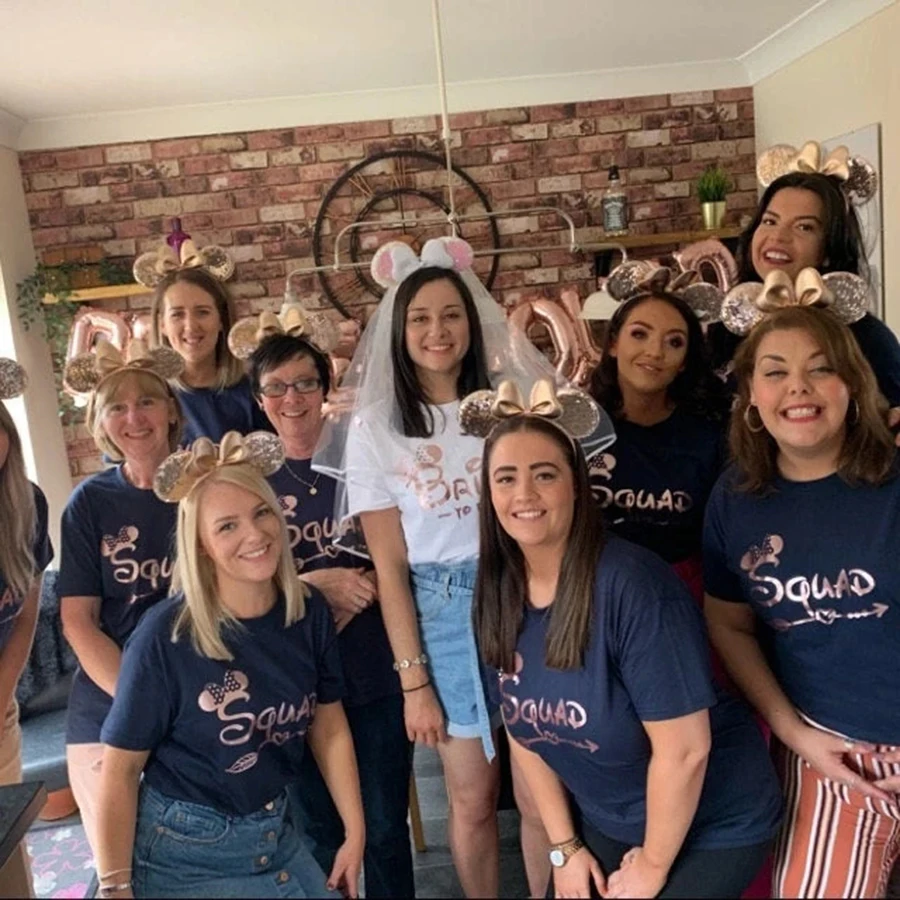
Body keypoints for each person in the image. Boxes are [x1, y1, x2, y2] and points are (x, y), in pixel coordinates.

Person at [314, 237, 615, 898]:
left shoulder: (508, 403)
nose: (437, 330)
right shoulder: (376, 428)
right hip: (441, 612)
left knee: (541, 794)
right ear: (399, 331)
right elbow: (390, 567)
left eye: (451, 314)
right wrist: (414, 681)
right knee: (473, 797)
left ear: (472, 321)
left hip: (527, 594)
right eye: (420, 318)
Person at [469, 380, 783, 899]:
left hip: (712, 818)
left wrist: (653, 866)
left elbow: (685, 751)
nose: (523, 494)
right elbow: (526, 734)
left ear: (577, 484)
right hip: (611, 818)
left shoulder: (634, 586)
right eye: (506, 478)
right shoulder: (496, 591)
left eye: (544, 474)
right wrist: (564, 847)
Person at [91, 431, 363, 899]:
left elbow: (329, 725)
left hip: (274, 831)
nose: (254, 535)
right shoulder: (164, 637)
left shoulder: (308, 611)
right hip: (184, 851)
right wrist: (115, 888)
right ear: (201, 545)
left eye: (262, 513)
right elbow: (119, 770)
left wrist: (354, 831)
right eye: (227, 526)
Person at [703, 294, 900, 898]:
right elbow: (729, 624)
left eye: (821, 367)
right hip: (831, 752)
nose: (799, 387)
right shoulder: (735, 500)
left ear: (852, 385)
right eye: (775, 371)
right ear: (751, 397)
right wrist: (794, 735)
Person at [242, 313, 414, 899]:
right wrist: (315, 586)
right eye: (276, 387)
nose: (292, 399)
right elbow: (238, 583)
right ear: (260, 400)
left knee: (385, 828)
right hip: (292, 684)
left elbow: (405, 552)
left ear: (326, 387)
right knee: (317, 833)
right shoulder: (250, 483)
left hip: (374, 671)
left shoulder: (365, 459)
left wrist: (359, 586)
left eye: (305, 383)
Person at [58, 340, 185, 856]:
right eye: (117, 407)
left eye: (146, 401)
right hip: (109, 703)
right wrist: (139, 699)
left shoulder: (205, 487)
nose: (133, 417)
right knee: (121, 864)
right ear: (101, 422)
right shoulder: (89, 503)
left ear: (171, 410)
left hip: (198, 698)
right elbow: (78, 620)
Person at [706, 141, 900, 407]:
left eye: (804, 227)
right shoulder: (725, 330)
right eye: (769, 221)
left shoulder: (868, 339)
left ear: (829, 248)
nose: (778, 237)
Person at [589, 266, 728, 596]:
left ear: (684, 361)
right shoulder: (581, 429)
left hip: (684, 596)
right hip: (594, 594)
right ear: (613, 343)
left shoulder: (711, 438)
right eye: (640, 334)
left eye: (674, 342)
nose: (655, 352)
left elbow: (723, 543)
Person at [0, 360, 52, 899]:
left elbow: (26, 610)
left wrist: (1, 691)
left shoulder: (27, 503)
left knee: (9, 856)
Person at [137, 239, 272, 444]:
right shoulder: (144, 396)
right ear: (162, 324)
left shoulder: (252, 393)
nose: (190, 326)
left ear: (221, 320)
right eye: (177, 314)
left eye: (202, 312)